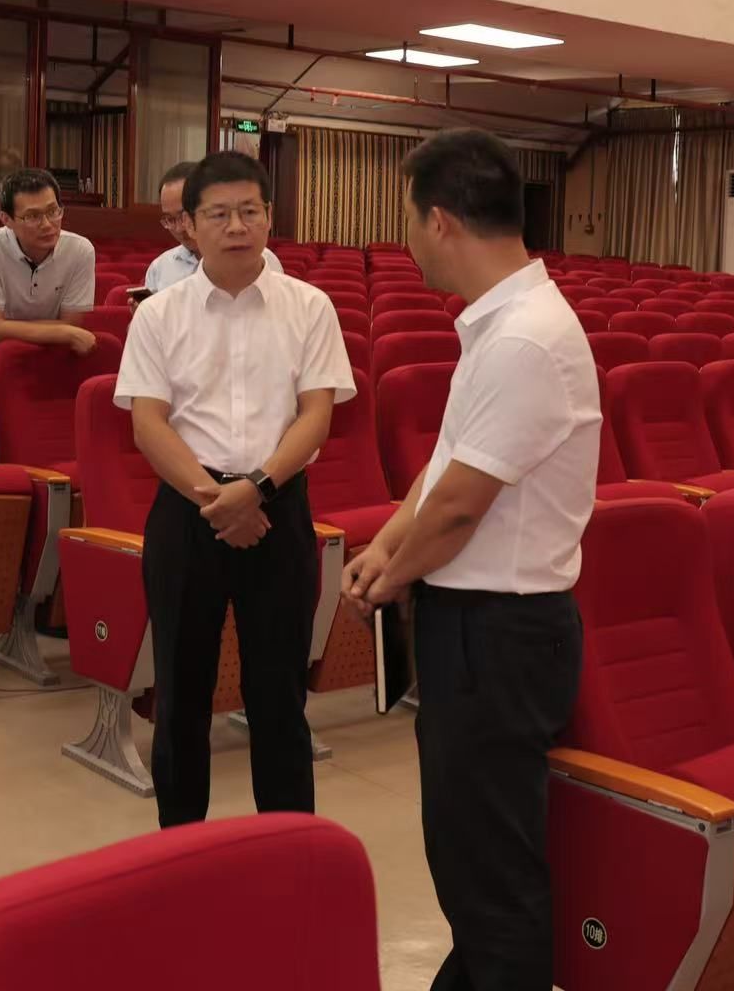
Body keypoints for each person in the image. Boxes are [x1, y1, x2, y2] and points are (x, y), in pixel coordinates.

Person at [341, 129, 596, 991]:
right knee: (472, 857)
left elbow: (459, 507)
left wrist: (389, 576)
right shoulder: (503, 325)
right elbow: (447, 465)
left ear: (441, 220)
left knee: (492, 878)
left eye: (409, 219)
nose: (407, 239)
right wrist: (387, 544)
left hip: (498, 634)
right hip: (480, 628)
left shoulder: (524, 339)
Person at [114, 150, 353, 828]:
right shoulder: (159, 314)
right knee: (181, 696)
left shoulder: (310, 306)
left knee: (279, 697)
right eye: (219, 214)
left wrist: (257, 489)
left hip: (279, 511)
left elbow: (316, 414)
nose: (237, 226)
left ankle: (288, 845)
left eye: (250, 210)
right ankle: (181, 846)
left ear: (270, 215)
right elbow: (148, 424)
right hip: (188, 515)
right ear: (190, 225)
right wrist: (216, 501)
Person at [0, 168, 97, 460]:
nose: (47, 224)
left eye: (54, 211)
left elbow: (71, 323)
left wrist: (0, 330)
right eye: (32, 216)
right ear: (6, 219)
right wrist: (62, 331)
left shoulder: (81, 251)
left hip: (40, 371)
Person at [141, 159, 280, 296]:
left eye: (184, 216)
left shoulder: (263, 260)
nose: (179, 228)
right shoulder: (160, 268)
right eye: (170, 219)